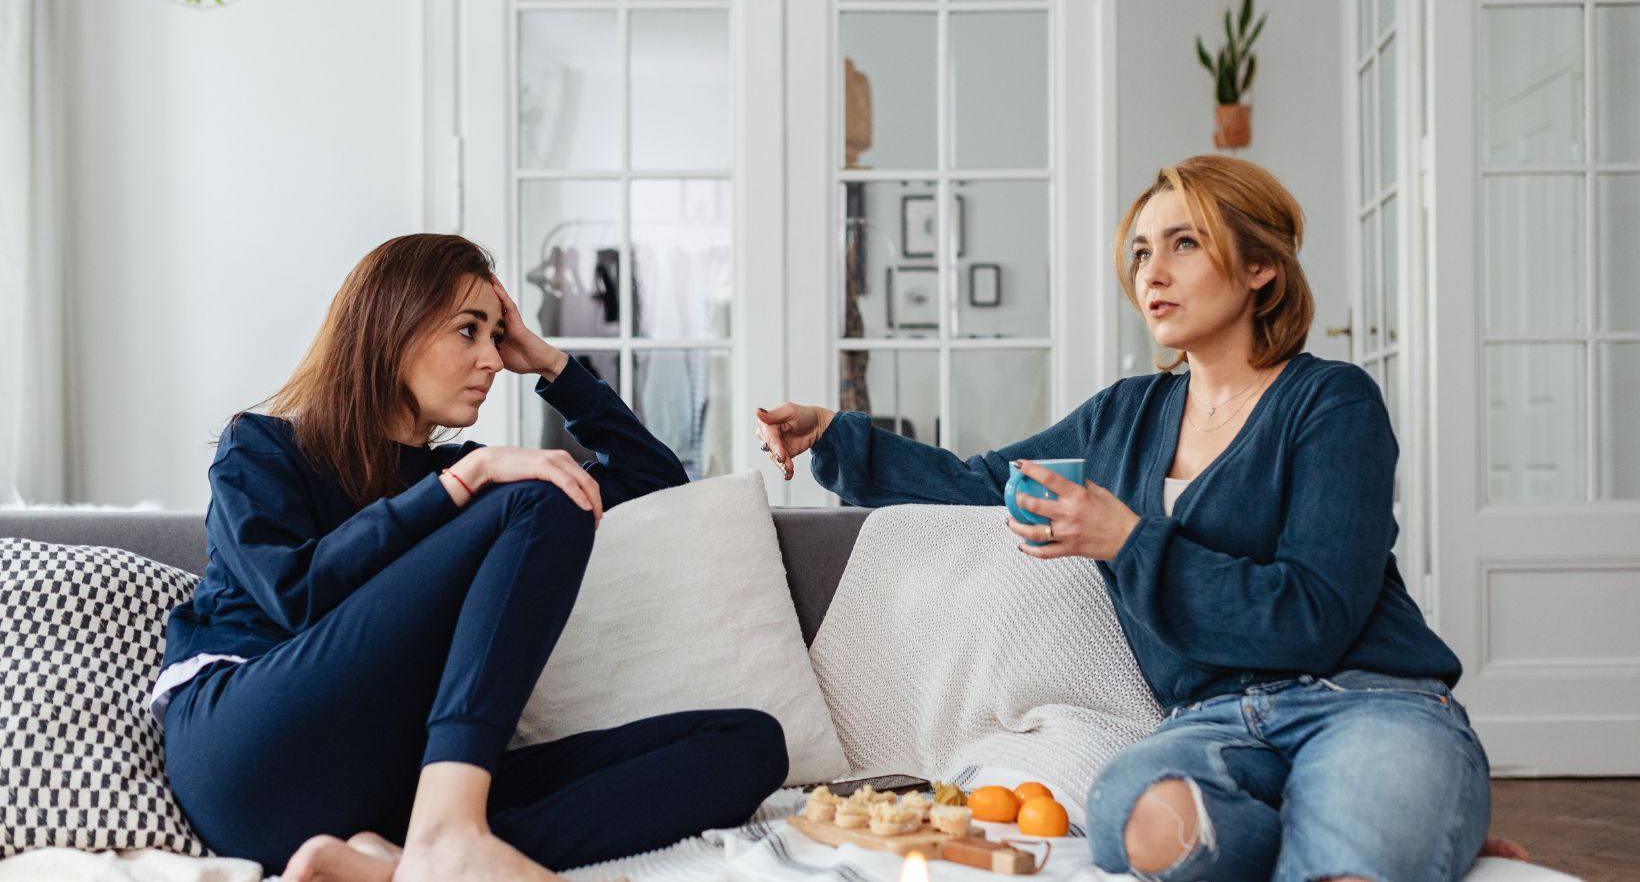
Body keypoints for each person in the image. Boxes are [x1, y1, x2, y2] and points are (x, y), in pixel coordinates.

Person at [755, 156, 1527, 881]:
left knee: (1348, 863)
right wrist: (835, 435)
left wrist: (1127, 539)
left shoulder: (1332, 401)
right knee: (1136, 817)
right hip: (1212, 723)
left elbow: (1313, 615)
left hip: (1363, 700)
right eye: (1141, 252)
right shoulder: (1125, 416)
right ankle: (1399, 833)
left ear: (1260, 266)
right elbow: (981, 484)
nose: (1152, 273)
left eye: (1184, 244)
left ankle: (1390, 824)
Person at [154, 234, 787, 882]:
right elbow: (295, 593)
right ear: (391, 329)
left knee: (750, 744)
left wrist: (547, 362)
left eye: (497, 335)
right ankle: (450, 833)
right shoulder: (261, 447)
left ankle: (409, 862)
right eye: (468, 331)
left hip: (395, 779)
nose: (491, 359)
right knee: (545, 491)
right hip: (247, 746)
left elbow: (655, 483)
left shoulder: (470, 478)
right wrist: (461, 482)